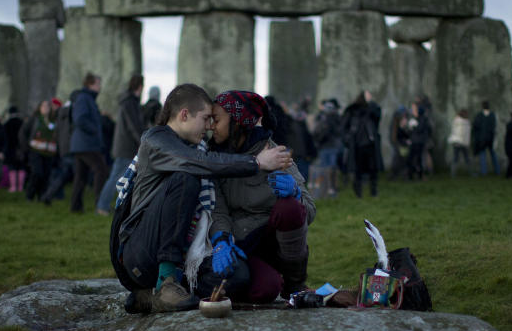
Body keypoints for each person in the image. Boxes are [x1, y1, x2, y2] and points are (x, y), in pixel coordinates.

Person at [113, 83, 293, 314]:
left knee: (238, 275)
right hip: (141, 253)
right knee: (186, 177)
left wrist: (220, 242)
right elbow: (194, 162)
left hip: (183, 253)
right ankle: (167, 283)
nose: (209, 126)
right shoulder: (156, 140)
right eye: (206, 118)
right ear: (184, 115)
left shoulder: (197, 149)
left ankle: (148, 297)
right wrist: (257, 163)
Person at [199, 90, 316, 304]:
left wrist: (296, 194)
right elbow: (219, 210)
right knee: (264, 291)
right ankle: (269, 278)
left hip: (277, 243)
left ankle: (294, 283)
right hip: (243, 245)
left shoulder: (274, 154)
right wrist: (221, 240)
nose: (210, 126)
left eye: (216, 120)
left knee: (290, 208)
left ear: (238, 121)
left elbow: (308, 211)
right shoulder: (216, 158)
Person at [97, 74, 146, 215]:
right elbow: (133, 126)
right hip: (126, 147)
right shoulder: (129, 103)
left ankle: (108, 206)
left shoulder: (129, 101)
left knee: (121, 178)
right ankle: (102, 206)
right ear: (140, 86)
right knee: (115, 178)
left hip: (124, 145)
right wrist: (143, 141)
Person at [69, 72, 109, 214]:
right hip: (86, 144)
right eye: (98, 84)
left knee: (81, 177)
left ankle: (75, 207)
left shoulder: (87, 98)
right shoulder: (84, 98)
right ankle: (100, 204)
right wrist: (94, 130)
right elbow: (80, 119)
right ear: (90, 84)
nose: (100, 87)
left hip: (82, 144)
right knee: (101, 170)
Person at [341, 90, 381, 197]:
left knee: (373, 170)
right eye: (368, 95)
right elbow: (344, 126)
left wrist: (371, 103)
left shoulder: (372, 109)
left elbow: (377, 117)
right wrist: (347, 140)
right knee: (358, 171)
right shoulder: (352, 110)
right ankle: (358, 193)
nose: (370, 96)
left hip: (370, 145)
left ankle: (374, 192)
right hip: (357, 146)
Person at [20, 100, 57, 201]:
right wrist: (25, 147)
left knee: (46, 175)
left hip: (49, 152)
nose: (45, 108)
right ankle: (30, 194)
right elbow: (23, 132)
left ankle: (42, 195)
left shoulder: (53, 121)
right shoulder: (34, 119)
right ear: (39, 108)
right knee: (37, 173)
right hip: (35, 151)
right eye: (43, 106)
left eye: (47, 106)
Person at [311, 98, 341, 198]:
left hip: (328, 146)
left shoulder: (331, 118)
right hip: (327, 146)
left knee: (329, 169)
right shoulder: (324, 118)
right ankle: (328, 191)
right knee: (328, 169)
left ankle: (330, 191)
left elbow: (337, 132)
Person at [471, 101, 498, 175]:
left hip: (483, 138)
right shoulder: (492, 115)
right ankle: (495, 171)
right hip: (488, 137)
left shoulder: (480, 115)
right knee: (491, 154)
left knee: (484, 155)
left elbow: (475, 127)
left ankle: (485, 172)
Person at [407, 103, 432, 181]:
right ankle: (411, 175)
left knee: (418, 159)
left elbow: (421, 129)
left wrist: (414, 126)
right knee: (411, 159)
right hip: (414, 141)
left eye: (414, 109)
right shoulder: (414, 118)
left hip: (419, 142)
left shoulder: (423, 119)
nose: (412, 110)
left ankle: (420, 175)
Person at [3, 106, 25, 193]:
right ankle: (20, 187)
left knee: (12, 168)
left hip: (10, 148)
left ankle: (13, 187)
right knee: (21, 168)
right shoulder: (22, 122)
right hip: (21, 148)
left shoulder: (7, 124)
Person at [448, 109, 471, 177]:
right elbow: (464, 134)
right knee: (466, 158)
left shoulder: (456, 121)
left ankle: (453, 174)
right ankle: (470, 173)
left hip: (457, 142)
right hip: (461, 142)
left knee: (456, 158)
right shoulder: (465, 122)